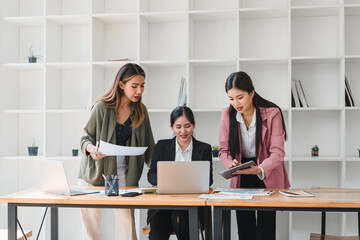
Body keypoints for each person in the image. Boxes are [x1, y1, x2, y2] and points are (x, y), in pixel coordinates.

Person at [78, 63, 155, 240]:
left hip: (124, 173)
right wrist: (91, 149)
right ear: (121, 85)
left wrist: (159, 175)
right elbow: (85, 137)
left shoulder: (141, 110)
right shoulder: (102, 107)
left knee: (127, 224)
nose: (139, 91)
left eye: (142, 86)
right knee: (92, 227)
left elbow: (150, 146)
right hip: (96, 172)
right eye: (134, 86)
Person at [219, 71, 290, 240]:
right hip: (241, 173)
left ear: (252, 93)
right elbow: (224, 151)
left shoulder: (273, 113)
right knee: (245, 230)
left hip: (266, 172)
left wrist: (259, 169)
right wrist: (230, 163)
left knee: (266, 230)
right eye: (231, 98)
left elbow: (277, 153)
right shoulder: (227, 114)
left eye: (240, 97)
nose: (235, 103)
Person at [147, 106, 213, 240]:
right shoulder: (161, 146)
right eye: (178, 127)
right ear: (172, 127)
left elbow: (208, 180)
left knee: (182, 218)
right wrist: (162, 182)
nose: (183, 131)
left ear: (194, 125)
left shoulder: (204, 148)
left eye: (187, 126)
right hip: (163, 206)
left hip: (191, 205)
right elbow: (152, 175)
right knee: (157, 230)